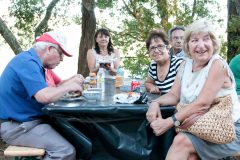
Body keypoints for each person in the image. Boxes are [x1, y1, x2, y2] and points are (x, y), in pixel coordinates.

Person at [146, 19, 240, 159]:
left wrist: (169, 122)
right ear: (187, 45)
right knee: (189, 155)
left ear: (213, 43)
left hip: (228, 126)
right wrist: (155, 103)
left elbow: (203, 104)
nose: (201, 45)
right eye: (195, 40)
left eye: (206, 39)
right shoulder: (185, 65)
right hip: (200, 124)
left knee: (181, 141)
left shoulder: (217, 65)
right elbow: (173, 95)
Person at [0, 31, 85, 160]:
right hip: (19, 126)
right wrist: (69, 86)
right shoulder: (27, 62)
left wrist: (68, 84)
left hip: (30, 122)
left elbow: (50, 90)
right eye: (61, 54)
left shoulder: (35, 63)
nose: (62, 59)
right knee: (65, 151)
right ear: (50, 49)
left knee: (79, 137)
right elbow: (44, 96)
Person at [144, 30, 184, 94]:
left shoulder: (178, 63)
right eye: (152, 48)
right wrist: (151, 87)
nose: (156, 50)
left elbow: (180, 94)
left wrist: (157, 102)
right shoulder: (153, 65)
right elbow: (148, 83)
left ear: (168, 48)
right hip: (160, 102)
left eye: (160, 46)